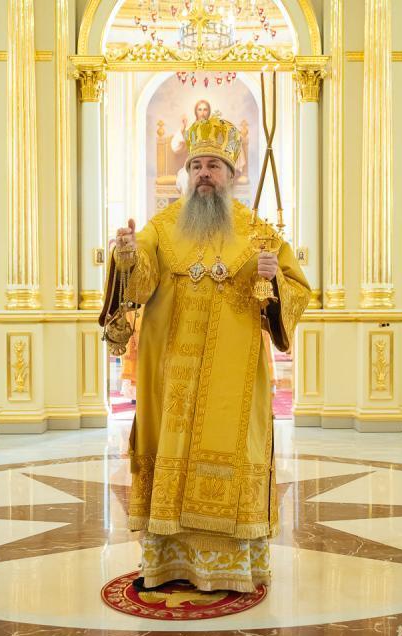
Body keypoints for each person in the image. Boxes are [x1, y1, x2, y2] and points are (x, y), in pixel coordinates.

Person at [100, 116, 311, 593]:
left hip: (234, 377)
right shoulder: (161, 226)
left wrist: (272, 279)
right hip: (170, 373)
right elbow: (139, 278)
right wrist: (126, 253)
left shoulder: (258, 232)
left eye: (213, 165)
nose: (204, 174)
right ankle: (166, 562)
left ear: (231, 174)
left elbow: (297, 290)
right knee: (168, 450)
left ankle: (230, 565)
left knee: (234, 449)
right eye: (196, 166)